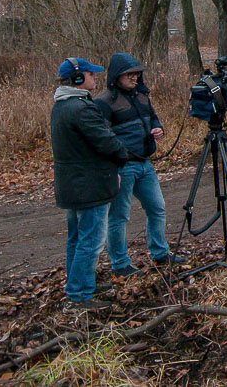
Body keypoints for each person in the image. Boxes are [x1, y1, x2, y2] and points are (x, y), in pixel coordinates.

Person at [50, 57, 131, 310]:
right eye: (90, 74)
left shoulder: (61, 106)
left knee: (77, 239)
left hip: (75, 184)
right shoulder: (81, 108)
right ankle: (79, 295)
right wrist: (123, 155)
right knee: (91, 240)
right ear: (77, 79)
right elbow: (105, 140)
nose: (95, 78)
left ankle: (83, 285)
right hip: (89, 185)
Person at [94, 53, 183, 276]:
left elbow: (153, 117)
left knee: (157, 208)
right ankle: (120, 264)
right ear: (117, 76)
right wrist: (113, 166)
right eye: (129, 74)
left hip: (144, 164)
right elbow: (101, 137)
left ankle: (160, 252)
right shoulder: (104, 102)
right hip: (122, 167)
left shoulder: (142, 96)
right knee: (119, 217)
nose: (134, 77)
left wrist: (158, 128)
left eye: (136, 73)